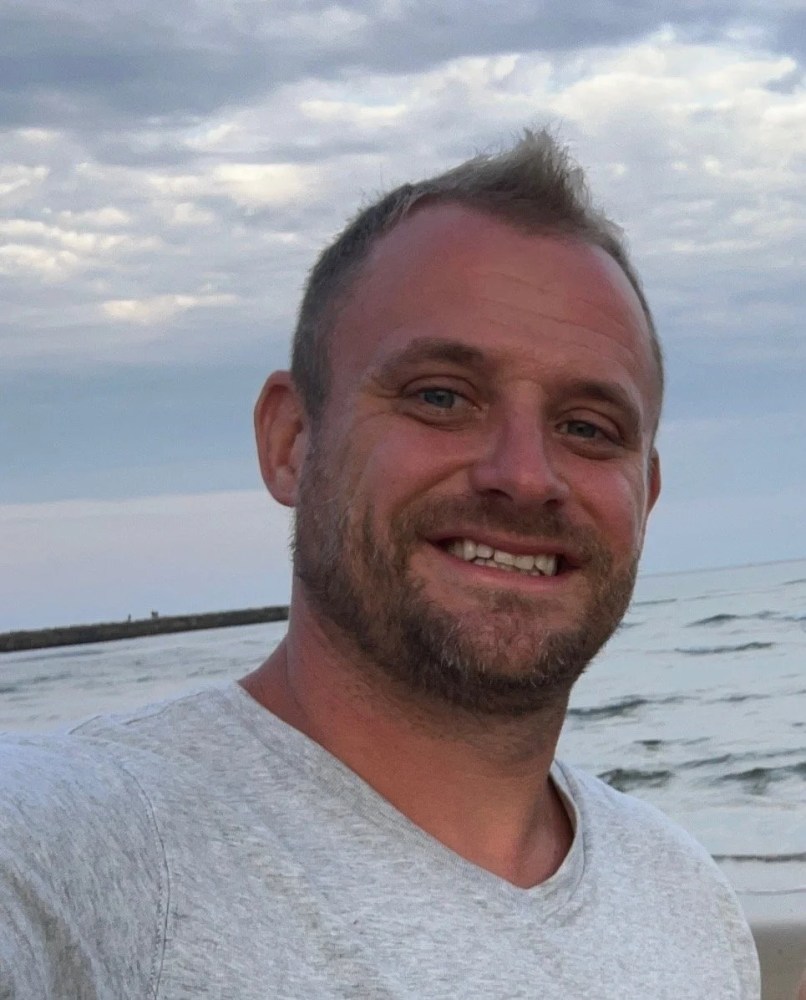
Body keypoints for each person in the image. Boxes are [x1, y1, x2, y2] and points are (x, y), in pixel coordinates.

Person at [0, 130, 760, 998]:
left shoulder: (686, 901)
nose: (523, 475)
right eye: (441, 396)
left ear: (646, 496)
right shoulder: (78, 855)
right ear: (291, 442)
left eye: (588, 427)